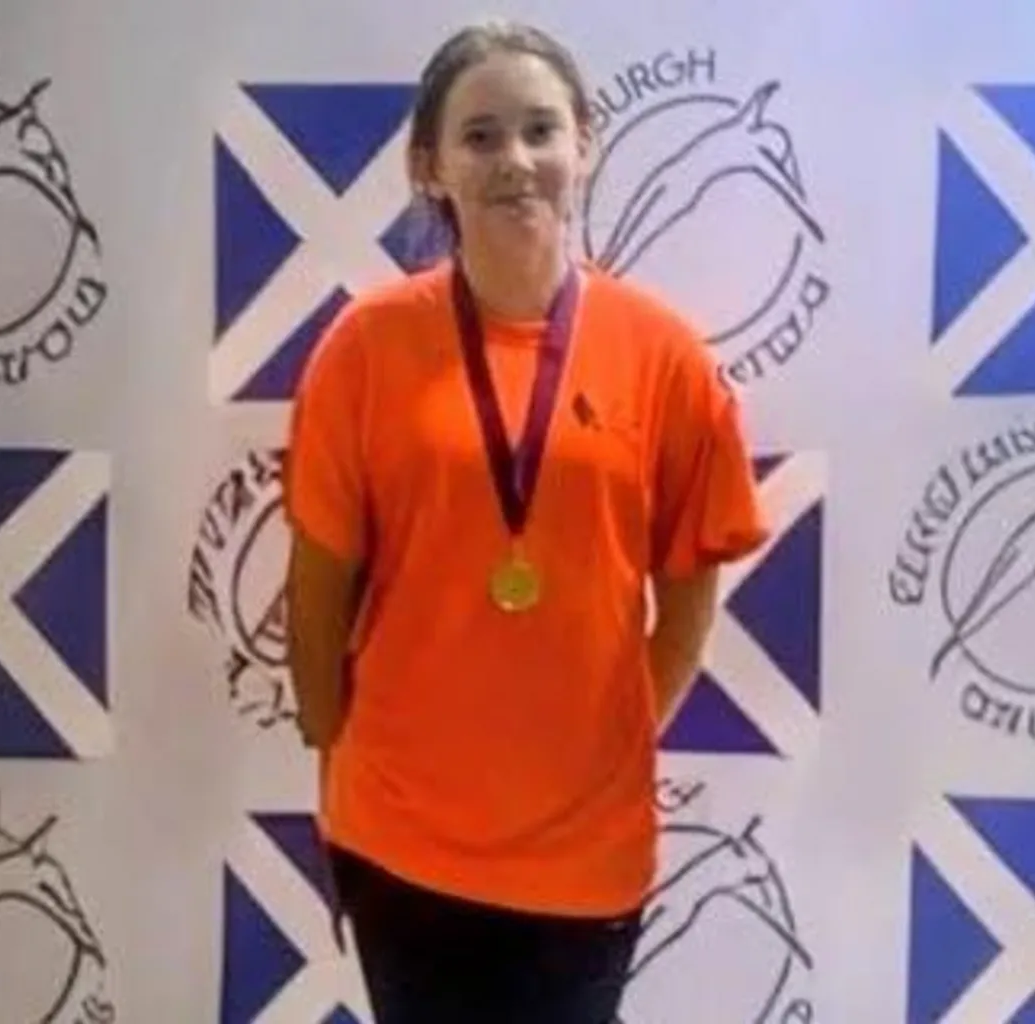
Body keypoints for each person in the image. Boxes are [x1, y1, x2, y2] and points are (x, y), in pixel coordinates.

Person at [284, 19, 768, 1024]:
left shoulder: (663, 354)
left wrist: (606, 735)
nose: (516, 161)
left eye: (541, 130)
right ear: (432, 166)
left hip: (586, 854)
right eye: (482, 136)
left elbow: (688, 593)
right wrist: (340, 772)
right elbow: (317, 592)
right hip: (399, 838)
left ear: (584, 144)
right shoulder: (365, 348)